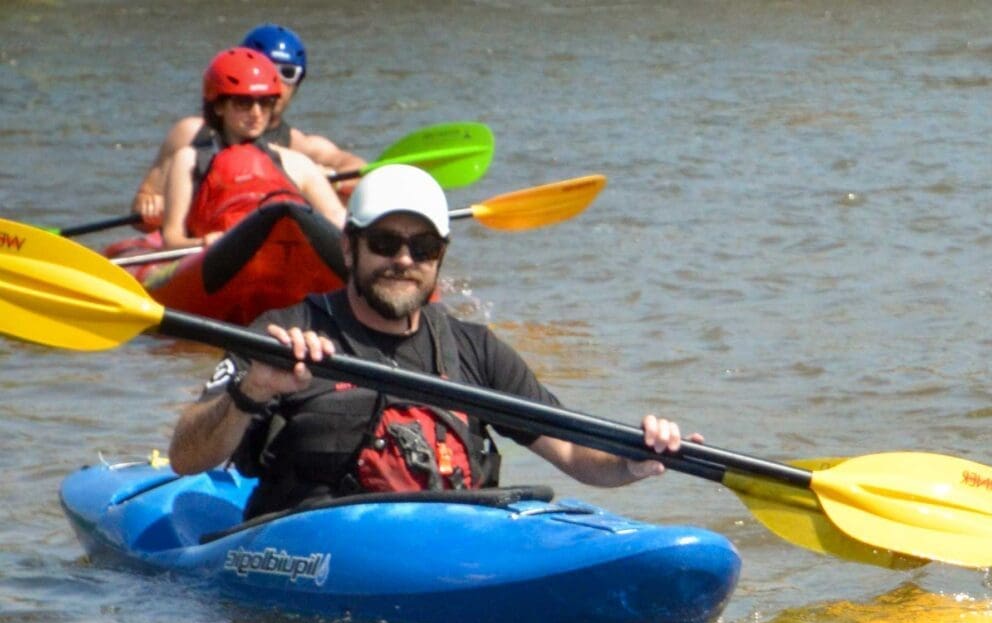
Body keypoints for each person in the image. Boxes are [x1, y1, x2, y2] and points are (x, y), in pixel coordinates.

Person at [168, 164, 690, 517]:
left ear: (440, 257)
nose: (404, 260)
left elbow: (573, 452)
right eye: (384, 242)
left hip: (447, 546)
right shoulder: (284, 333)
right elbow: (185, 458)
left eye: (422, 247)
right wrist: (253, 390)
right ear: (349, 248)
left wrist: (630, 461)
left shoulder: (475, 350)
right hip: (315, 546)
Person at [134, 27, 363, 231]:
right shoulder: (190, 136)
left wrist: (334, 180)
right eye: (244, 101)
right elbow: (142, 209)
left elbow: (358, 171)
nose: (273, 78)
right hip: (203, 238)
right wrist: (149, 205)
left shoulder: (299, 149)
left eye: (287, 73)